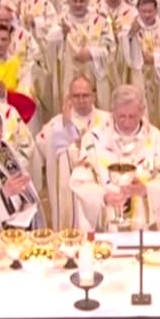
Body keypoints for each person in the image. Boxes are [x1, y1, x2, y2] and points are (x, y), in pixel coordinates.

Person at [69, 85, 160, 232]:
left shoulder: (156, 139)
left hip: (144, 223)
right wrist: (104, 196)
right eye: (121, 116)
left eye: (132, 116)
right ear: (113, 111)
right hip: (108, 218)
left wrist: (147, 189)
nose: (127, 122)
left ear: (141, 111)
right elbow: (79, 181)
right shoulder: (93, 139)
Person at [34, 77, 113, 229]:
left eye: (85, 95)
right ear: (69, 98)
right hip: (68, 189)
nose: (81, 100)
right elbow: (42, 145)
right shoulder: (57, 123)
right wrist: (64, 128)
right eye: (76, 96)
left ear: (93, 96)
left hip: (97, 186)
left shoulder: (107, 120)